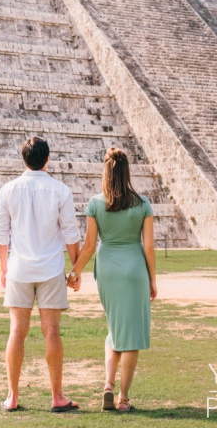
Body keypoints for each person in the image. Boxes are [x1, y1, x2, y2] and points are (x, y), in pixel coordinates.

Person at [0, 136, 82, 413]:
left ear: (23, 159)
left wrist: (3, 268)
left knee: (17, 330)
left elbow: (1, 234)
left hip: (19, 268)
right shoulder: (60, 190)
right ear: (47, 159)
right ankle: (57, 396)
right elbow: (70, 233)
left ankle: (12, 396)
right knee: (52, 331)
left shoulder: (8, 190)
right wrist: (75, 268)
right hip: (51, 269)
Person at [68, 147, 157, 412]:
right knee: (131, 336)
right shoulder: (143, 204)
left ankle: (108, 383)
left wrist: (73, 274)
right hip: (134, 271)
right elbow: (149, 248)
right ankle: (123, 398)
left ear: (105, 172)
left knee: (115, 329)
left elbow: (89, 246)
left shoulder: (95, 204)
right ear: (127, 172)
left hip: (107, 269)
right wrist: (153, 280)